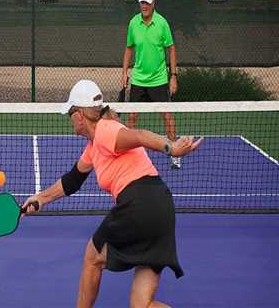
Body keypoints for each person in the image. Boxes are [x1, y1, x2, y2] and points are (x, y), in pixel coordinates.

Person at [22, 80, 202, 308]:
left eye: (69, 114)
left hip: (139, 203)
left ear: (79, 114)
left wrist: (171, 147)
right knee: (141, 305)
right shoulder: (94, 145)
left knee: (92, 256)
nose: (69, 120)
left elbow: (140, 135)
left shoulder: (107, 130)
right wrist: (40, 199)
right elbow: (73, 180)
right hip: (160, 207)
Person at [121, 0, 181, 169]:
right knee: (132, 117)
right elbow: (129, 48)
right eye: (142, 2)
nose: (144, 5)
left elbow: (171, 49)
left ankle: (175, 153)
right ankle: (129, 153)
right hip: (139, 79)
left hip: (159, 80)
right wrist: (124, 73)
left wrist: (173, 76)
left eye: (147, 2)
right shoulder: (133, 23)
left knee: (167, 116)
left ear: (153, 4)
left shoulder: (162, 23)